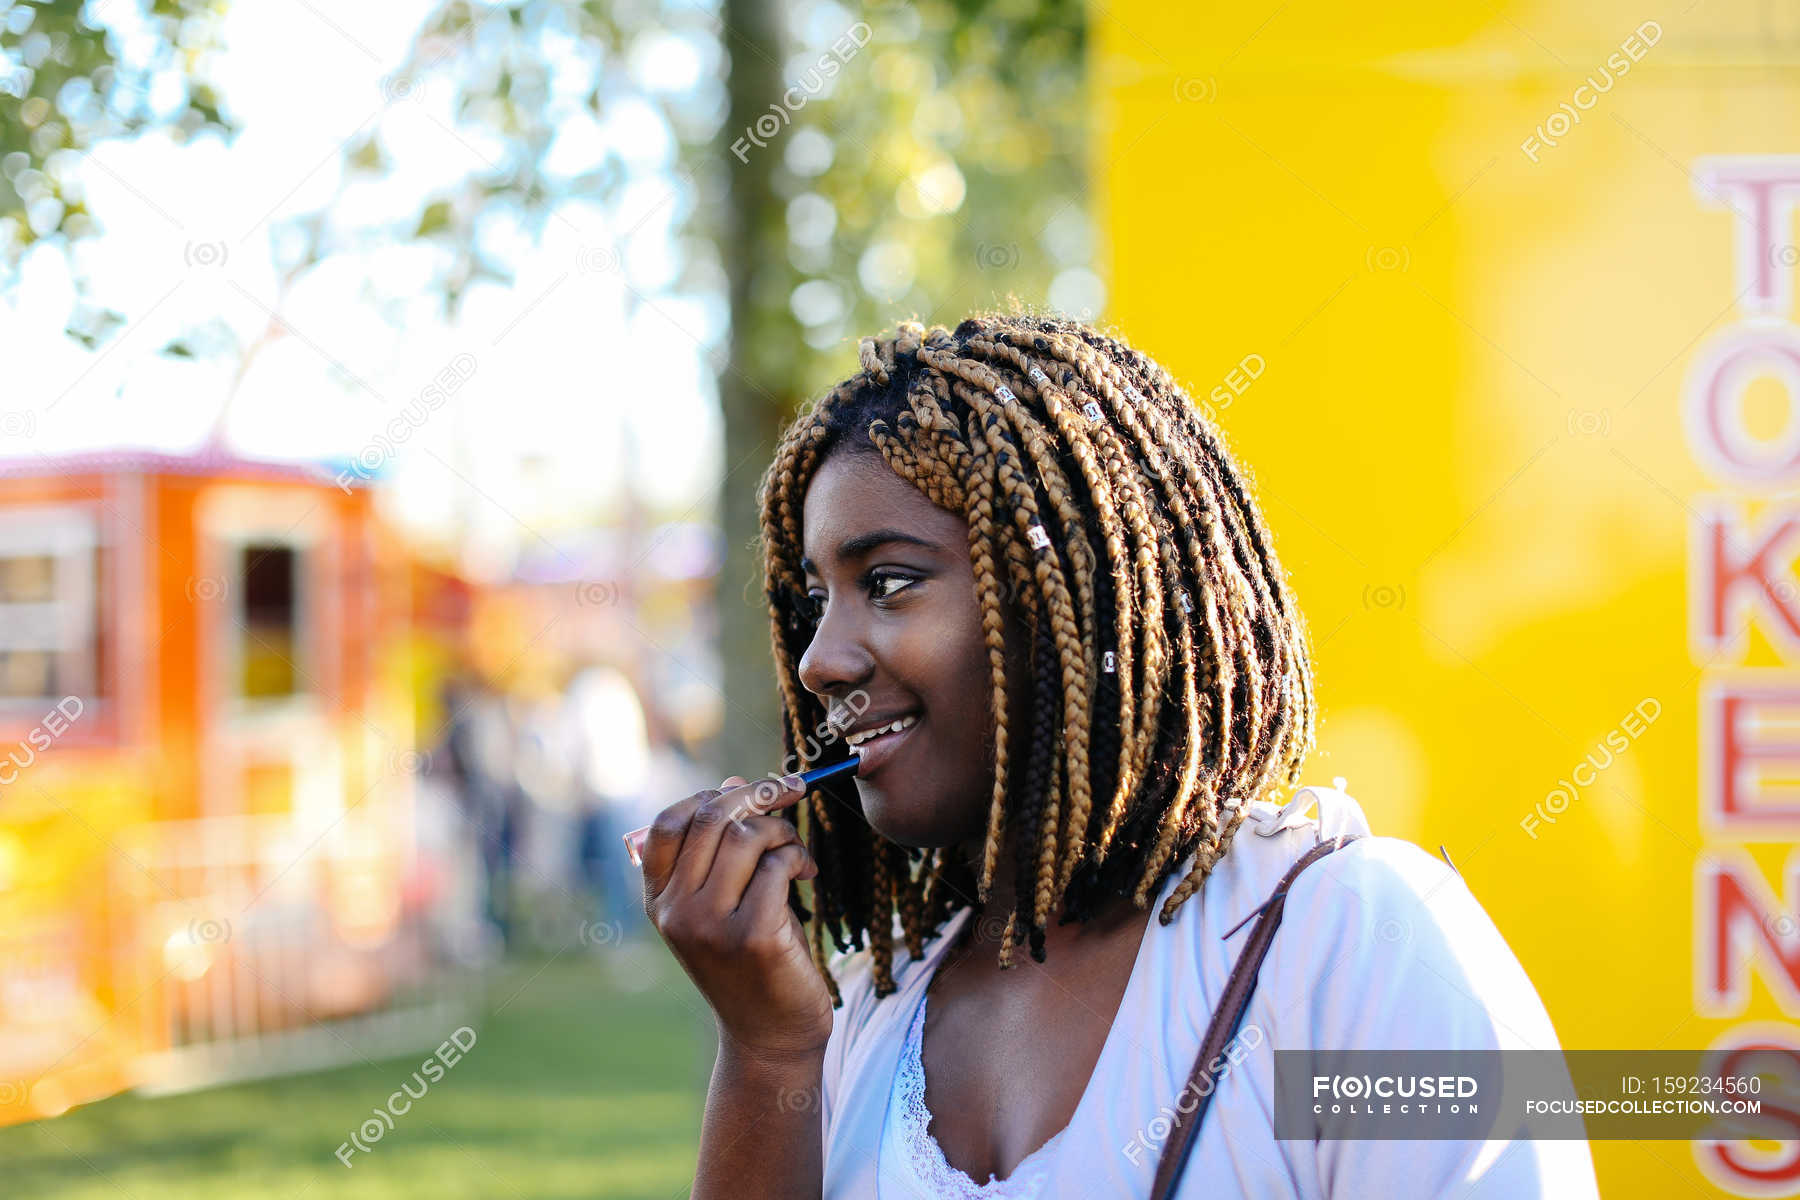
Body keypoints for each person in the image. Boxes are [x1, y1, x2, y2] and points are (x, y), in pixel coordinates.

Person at [635, 314, 1600, 1198]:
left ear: (1079, 606)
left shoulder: (1352, 943)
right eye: (816, 603)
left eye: (888, 583)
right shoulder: (858, 1016)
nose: (819, 660)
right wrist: (766, 1053)